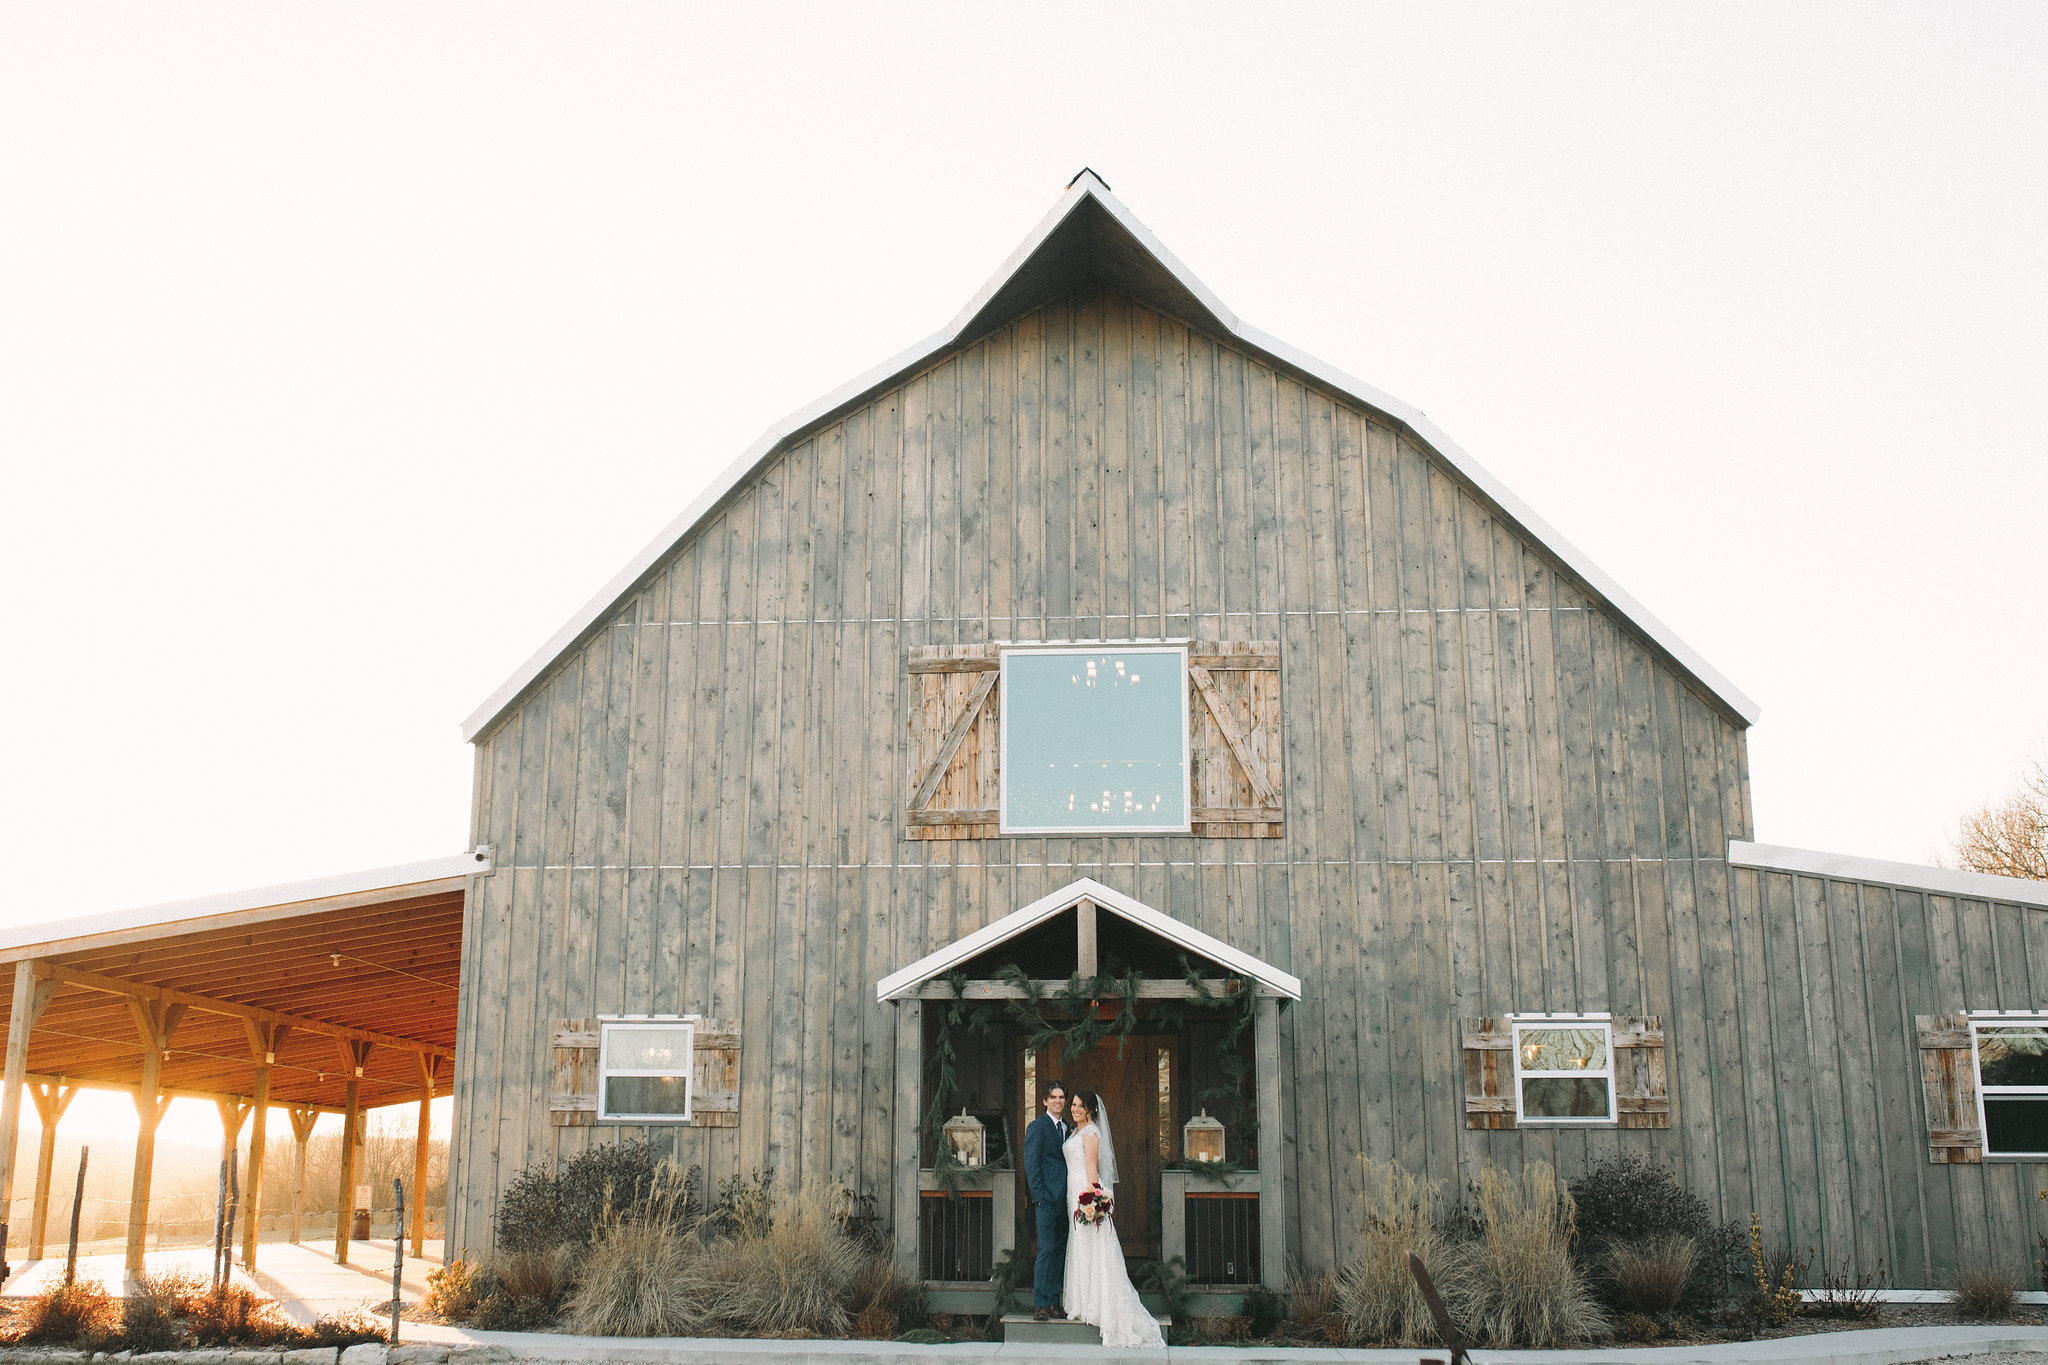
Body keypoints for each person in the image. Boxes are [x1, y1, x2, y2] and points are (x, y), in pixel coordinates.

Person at [1062, 1088, 1166, 1348]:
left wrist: (1093, 1197)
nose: (1075, 1109)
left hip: (1084, 1192)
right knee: (1081, 1247)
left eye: (1080, 1106)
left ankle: (1097, 1305)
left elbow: (1091, 1167)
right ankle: (1082, 1303)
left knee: (1094, 1248)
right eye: (1073, 1104)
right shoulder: (1075, 1131)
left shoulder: (1091, 1133)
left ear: (1090, 1109)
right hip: (1071, 1193)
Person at [1021, 1079, 1070, 1321]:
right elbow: (1031, 1164)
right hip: (1046, 1201)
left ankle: (1053, 1302)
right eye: (1053, 1097)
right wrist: (1038, 1197)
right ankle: (1040, 1304)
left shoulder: (1068, 1128)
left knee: (1059, 1251)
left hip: (1066, 1200)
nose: (1057, 1101)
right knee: (1046, 1249)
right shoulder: (1037, 1127)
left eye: (1061, 1097)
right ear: (1044, 1101)